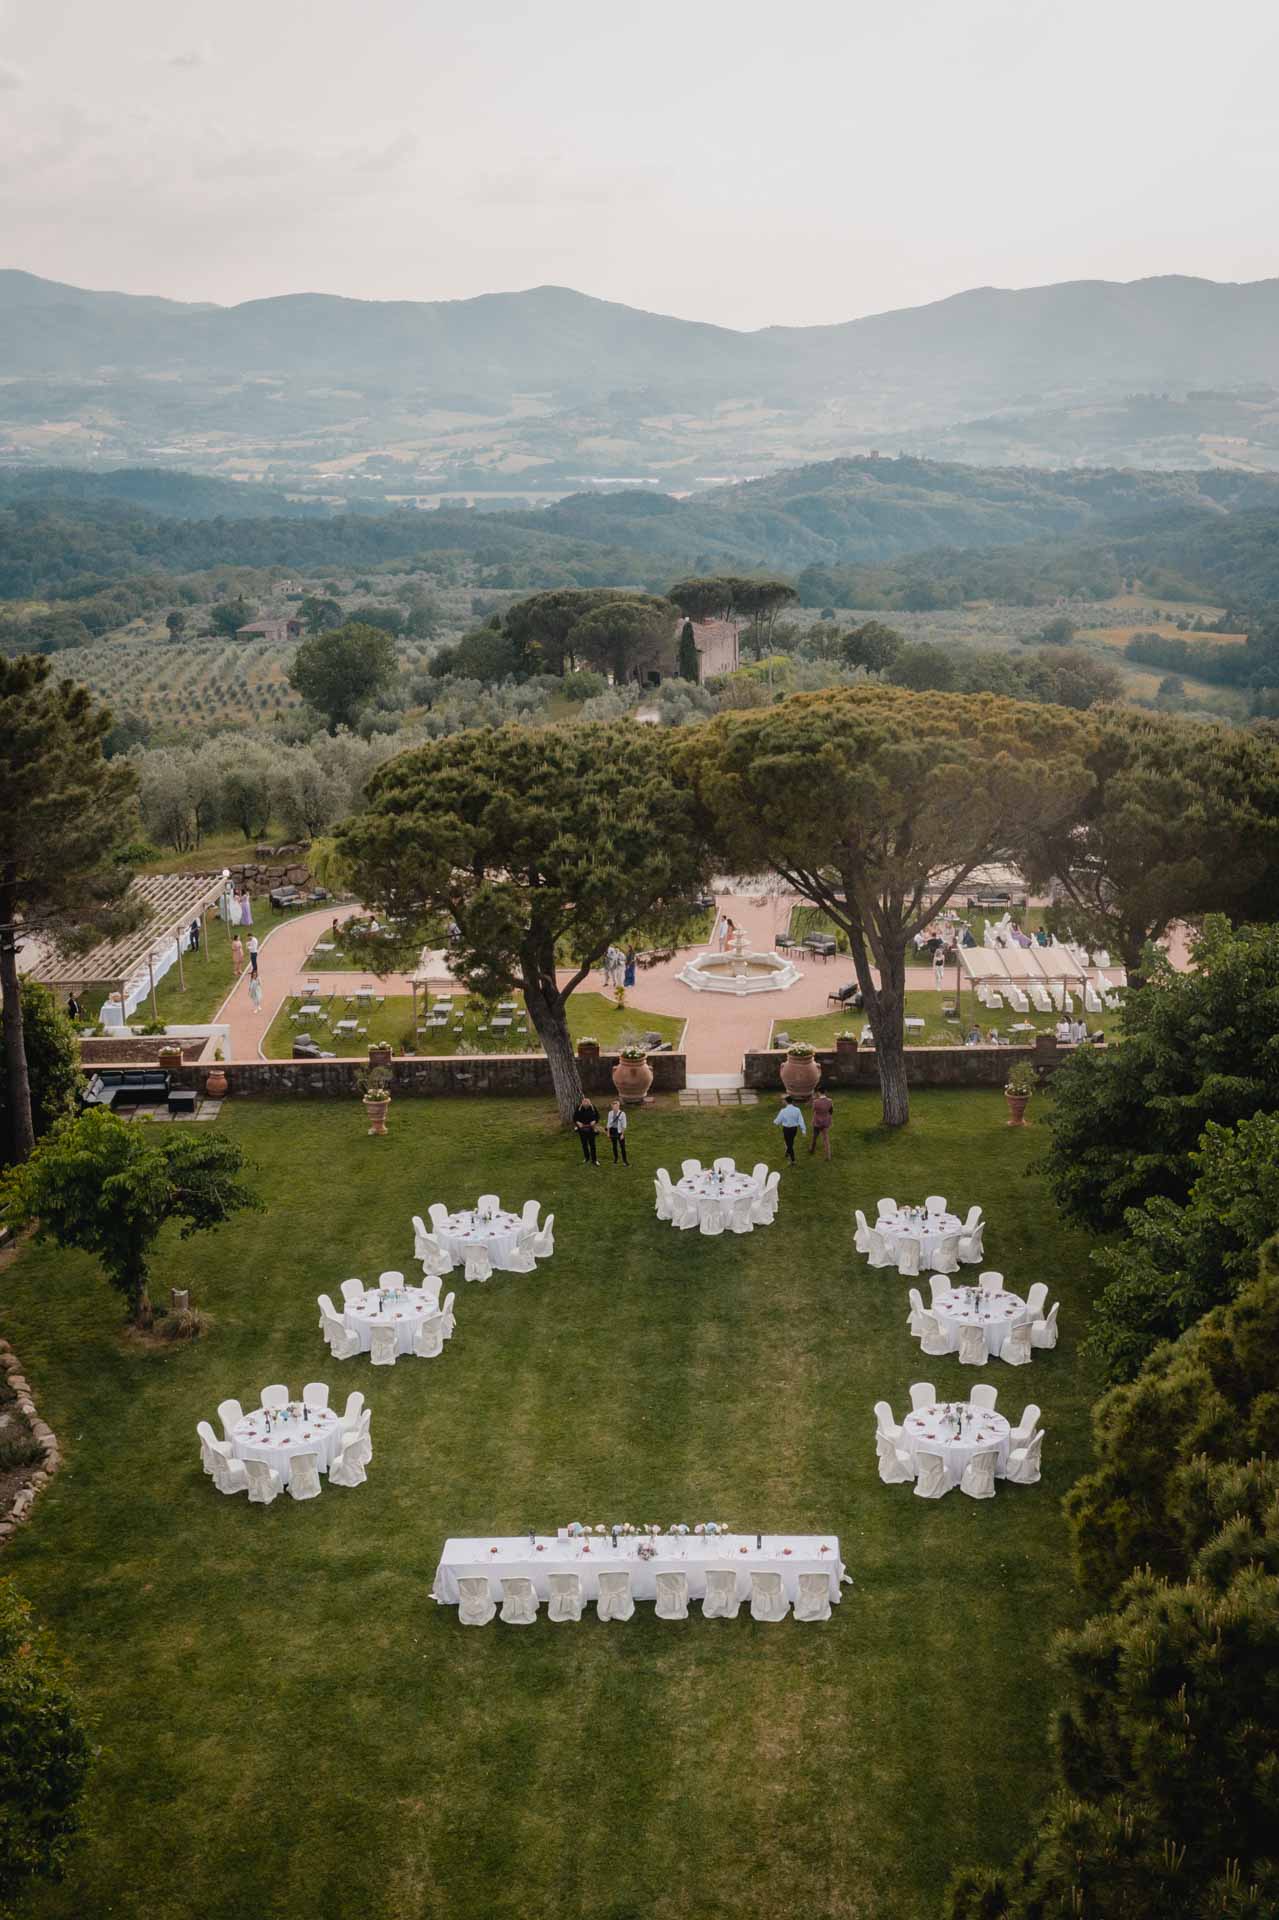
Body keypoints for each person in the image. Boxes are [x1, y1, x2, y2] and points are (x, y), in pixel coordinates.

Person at [773, 1096, 806, 1164]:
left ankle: (793, 1160)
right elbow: (801, 1120)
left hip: (786, 1130)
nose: (783, 1101)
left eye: (784, 1100)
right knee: (790, 1142)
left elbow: (777, 1121)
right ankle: (787, 1153)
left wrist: (775, 1122)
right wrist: (803, 1130)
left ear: (786, 1101)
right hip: (794, 1130)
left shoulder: (783, 1111)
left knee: (789, 1144)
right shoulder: (797, 1110)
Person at [573, 1096, 600, 1165]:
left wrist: (594, 1121)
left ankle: (594, 1160)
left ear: (589, 1103)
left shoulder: (593, 1108)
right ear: (582, 1103)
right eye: (584, 1103)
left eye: (587, 1103)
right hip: (582, 1130)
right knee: (584, 1144)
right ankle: (587, 1158)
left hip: (591, 1129)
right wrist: (578, 1123)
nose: (586, 1104)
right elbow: (574, 1118)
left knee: (592, 1145)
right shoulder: (578, 1108)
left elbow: (597, 1116)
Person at [809, 1090, 834, 1159]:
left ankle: (812, 1150)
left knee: (814, 1137)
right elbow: (831, 1111)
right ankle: (828, 1155)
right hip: (826, 1122)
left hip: (817, 1122)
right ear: (825, 1092)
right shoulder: (830, 1101)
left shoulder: (816, 1102)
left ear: (818, 1092)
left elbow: (813, 1110)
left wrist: (813, 1100)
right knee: (826, 1139)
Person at [606, 1098, 629, 1165]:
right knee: (614, 1146)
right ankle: (615, 1159)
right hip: (612, 1130)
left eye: (616, 1106)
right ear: (612, 1106)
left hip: (619, 1131)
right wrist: (608, 1132)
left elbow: (624, 1125)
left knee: (622, 1147)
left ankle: (625, 1161)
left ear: (618, 1106)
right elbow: (608, 1123)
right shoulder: (610, 1113)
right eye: (613, 1106)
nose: (615, 1107)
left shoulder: (622, 1114)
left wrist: (622, 1134)